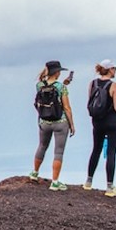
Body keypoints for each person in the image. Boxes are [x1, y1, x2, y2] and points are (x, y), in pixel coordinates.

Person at [85, 59, 116, 197]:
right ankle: (110, 187)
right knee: (111, 152)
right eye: (114, 68)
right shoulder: (114, 85)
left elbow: (91, 102)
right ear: (110, 70)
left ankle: (88, 182)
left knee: (96, 150)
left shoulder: (93, 83)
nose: (115, 71)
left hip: (97, 121)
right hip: (112, 122)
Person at [29, 60, 75, 191]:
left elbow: (47, 90)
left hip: (44, 122)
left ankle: (35, 173)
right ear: (57, 72)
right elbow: (67, 107)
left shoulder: (39, 85)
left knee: (42, 146)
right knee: (58, 152)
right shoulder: (61, 87)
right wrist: (72, 124)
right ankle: (55, 181)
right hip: (60, 122)